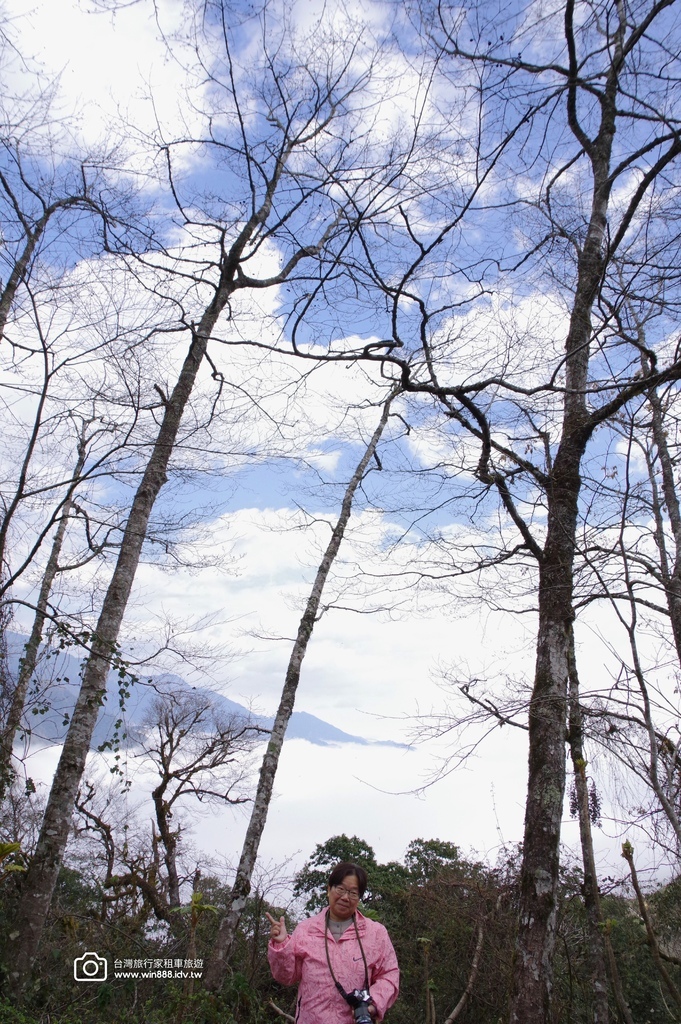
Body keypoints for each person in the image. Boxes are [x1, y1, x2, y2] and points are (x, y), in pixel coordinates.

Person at [266, 861, 399, 1024]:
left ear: (359, 898)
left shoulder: (376, 933)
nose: (345, 897)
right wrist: (281, 945)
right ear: (329, 889)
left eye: (353, 892)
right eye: (340, 889)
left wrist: (373, 1004)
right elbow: (286, 977)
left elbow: (389, 975)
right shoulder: (306, 929)